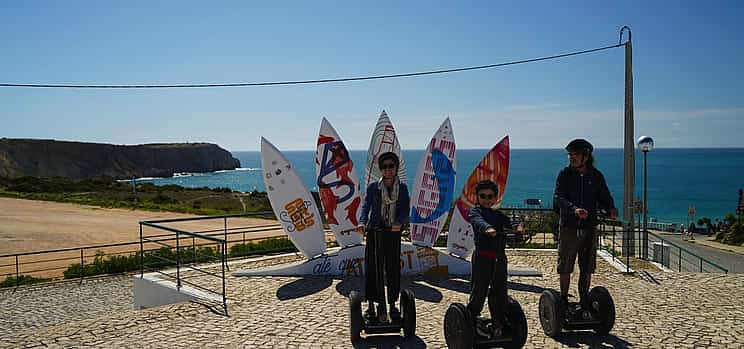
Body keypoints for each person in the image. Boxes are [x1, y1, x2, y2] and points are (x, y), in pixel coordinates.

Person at [554, 139, 618, 309]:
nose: (571, 158)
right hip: (569, 226)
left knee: (587, 266)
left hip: (589, 226)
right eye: (570, 155)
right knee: (566, 264)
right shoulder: (564, 175)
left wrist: (611, 208)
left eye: (575, 155)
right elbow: (558, 197)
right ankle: (563, 299)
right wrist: (574, 209)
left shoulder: (596, 176)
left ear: (586, 156)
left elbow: (604, 196)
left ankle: (584, 299)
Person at [356, 152, 410, 323]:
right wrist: (362, 223)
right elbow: (366, 207)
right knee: (373, 268)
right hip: (375, 233)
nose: (388, 169)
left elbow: (404, 209)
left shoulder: (402, 188)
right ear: (380, 170)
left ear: (396, 168)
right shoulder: (374, 187)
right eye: (384, 167)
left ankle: (392, 304)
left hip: (393, 233)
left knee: (393, 268)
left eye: (391, 166)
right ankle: (372, 304)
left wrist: (399, 222)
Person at [466, 180, 512, 338]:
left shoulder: (497, 215)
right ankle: (471, 319)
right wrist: (487, 228)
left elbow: (509, 222)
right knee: (479, 289)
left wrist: (517, 227)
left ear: (495, 198)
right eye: (482, 196)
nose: (486, 199)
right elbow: (478, 222)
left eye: (490, 196)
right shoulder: (475, 212)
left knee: (499, 291)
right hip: (482, 257)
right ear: (477, 197)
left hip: (499, 257)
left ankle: (498, 321)